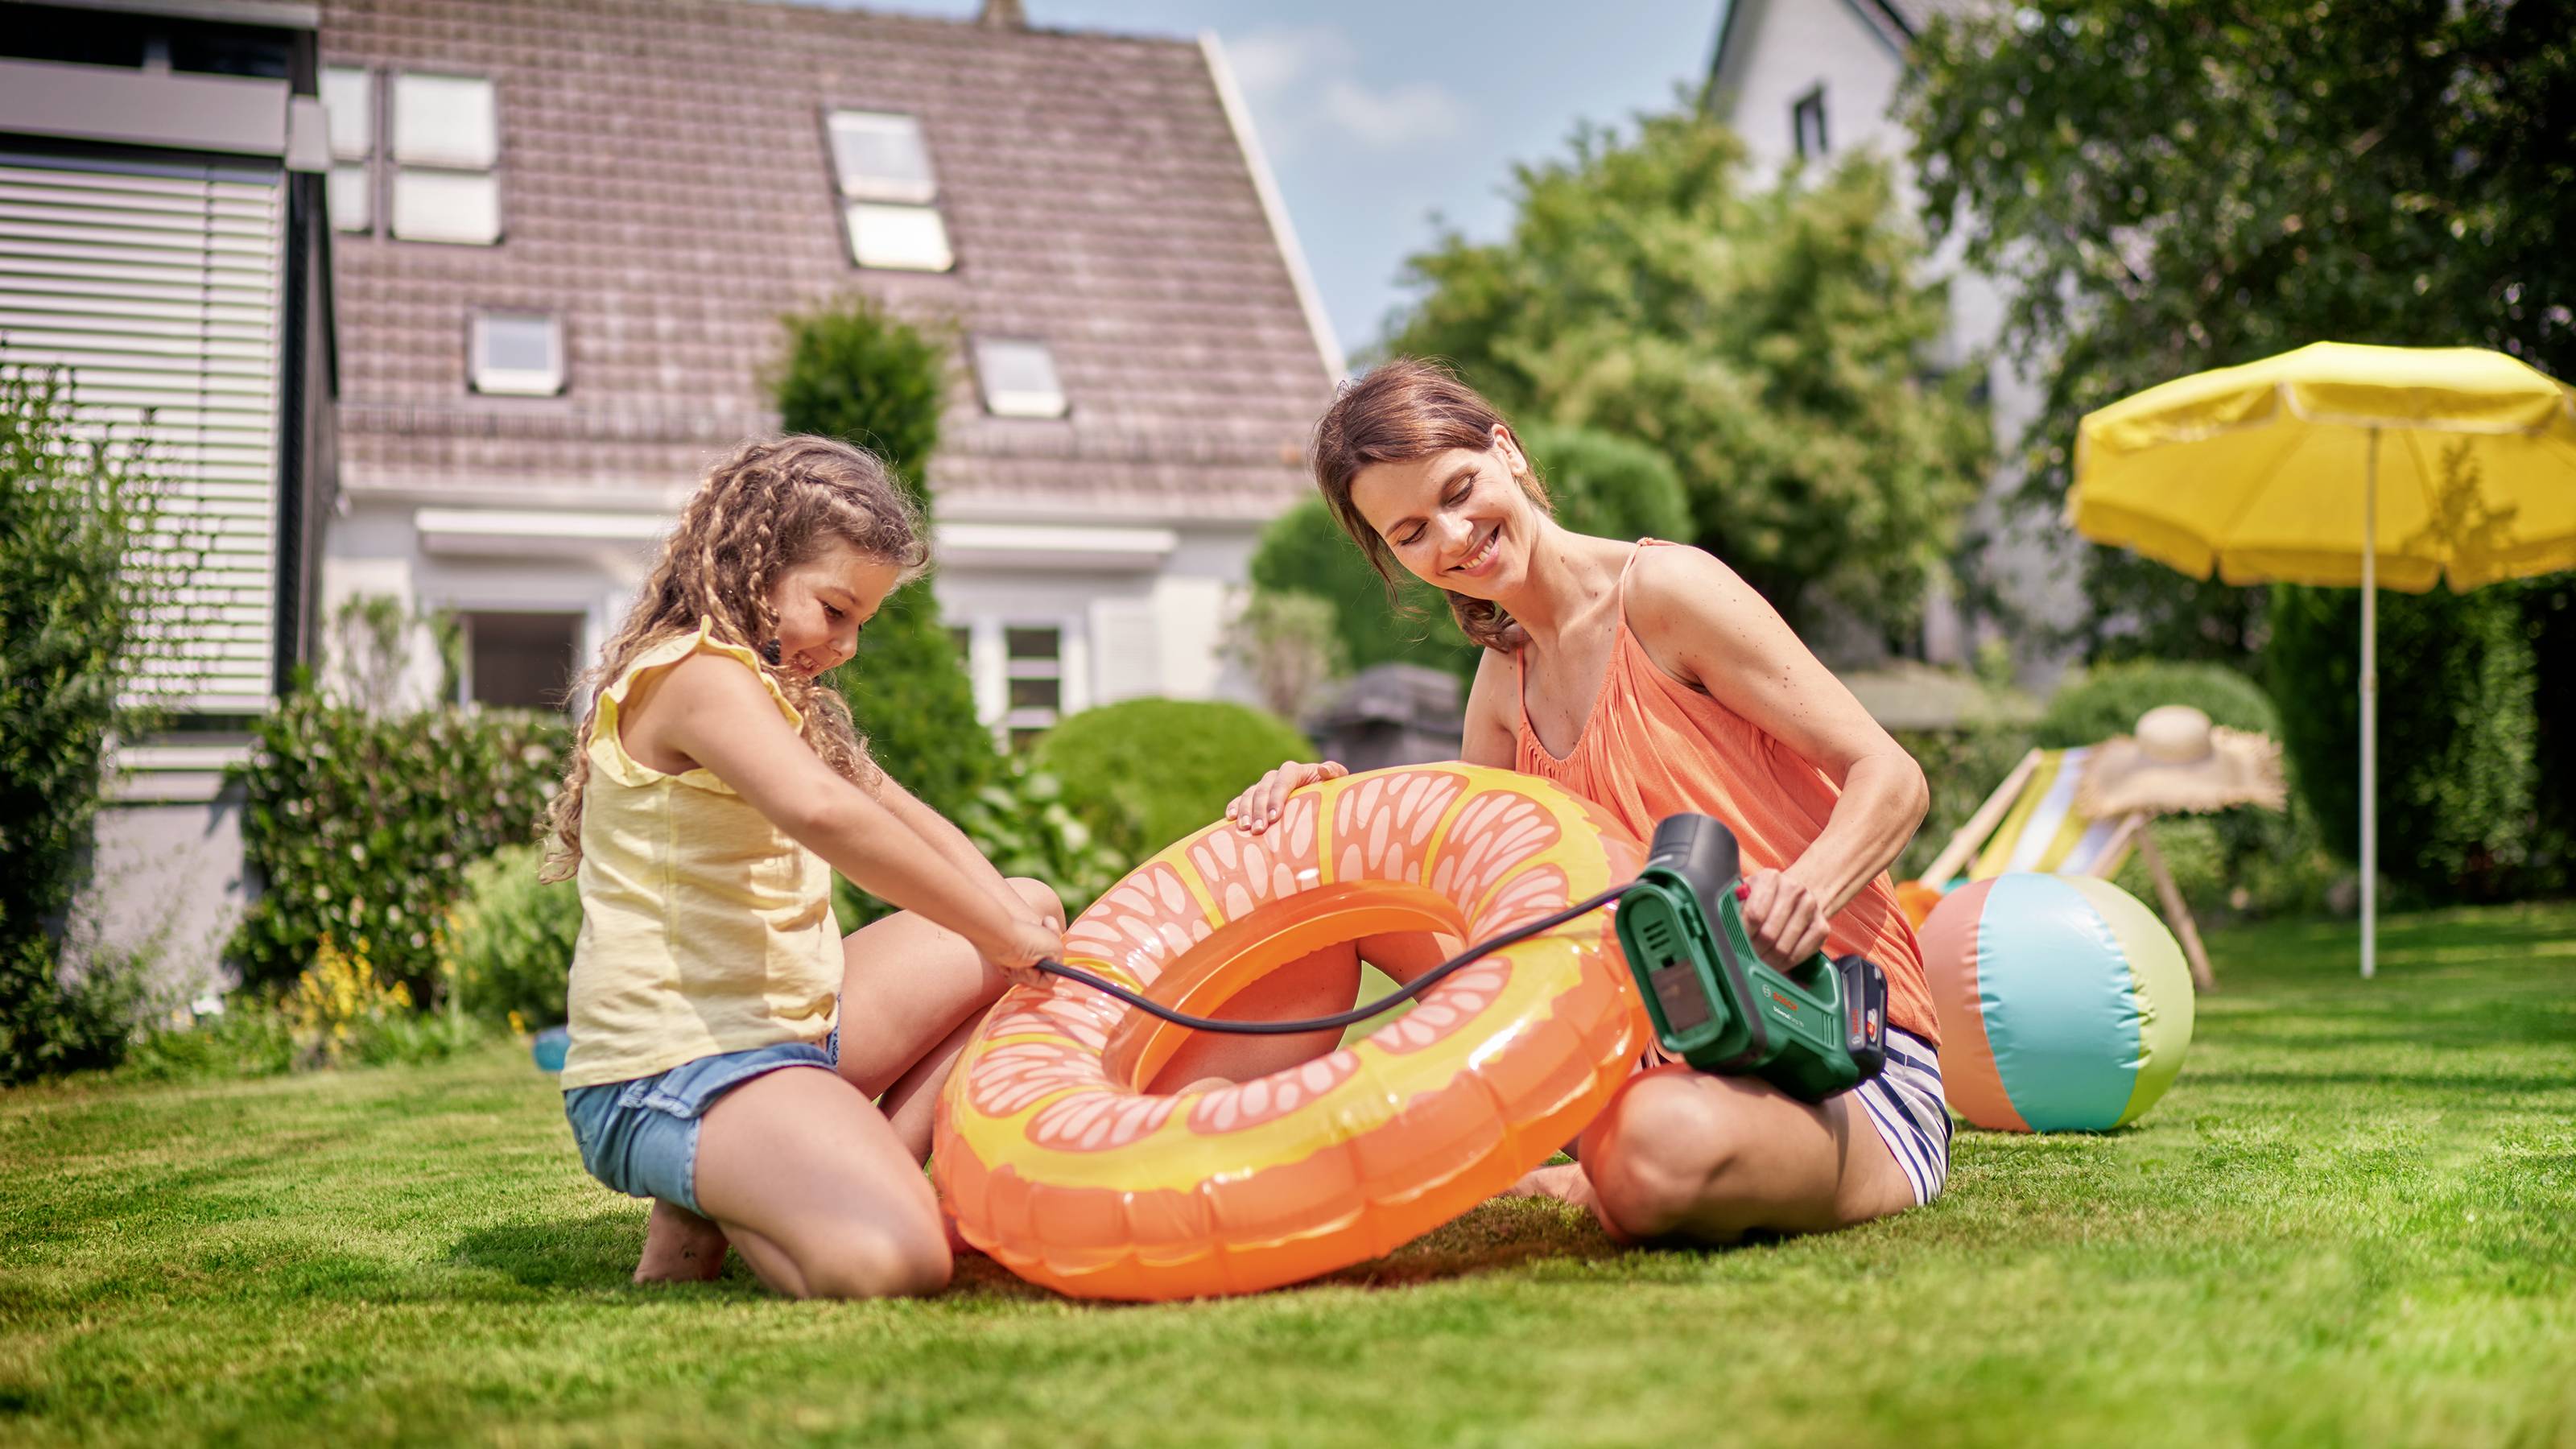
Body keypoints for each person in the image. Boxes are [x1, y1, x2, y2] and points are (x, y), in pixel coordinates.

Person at [1220, 359, 1949, 1245]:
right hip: (1648, 1044)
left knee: (1655, 1151)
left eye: (1459, 491)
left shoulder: (1666, 596)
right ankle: (1214, 1167)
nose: (1453, 538)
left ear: (1508, 451)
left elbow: (1890, 775)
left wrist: (1809, 888)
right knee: (1313, 874)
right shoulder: (1499, 683)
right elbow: (1470, 912)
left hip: (1825, 1052)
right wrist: (1322, 818)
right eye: (1412, 533)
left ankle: (1575, 1170)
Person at [539, 436, 1063, 1298]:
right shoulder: (694, 674)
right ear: (757, 565)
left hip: (794, 1034)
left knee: (1029, 905)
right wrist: (996, 928)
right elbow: (824, 814)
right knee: (902, 1262)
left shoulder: (786, 699)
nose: (847, 645)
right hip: (678, 1069)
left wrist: (1012, 927)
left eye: (862, 622)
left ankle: (799, 1174)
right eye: (835, 610)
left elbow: (910, 822)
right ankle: (754, 1184)